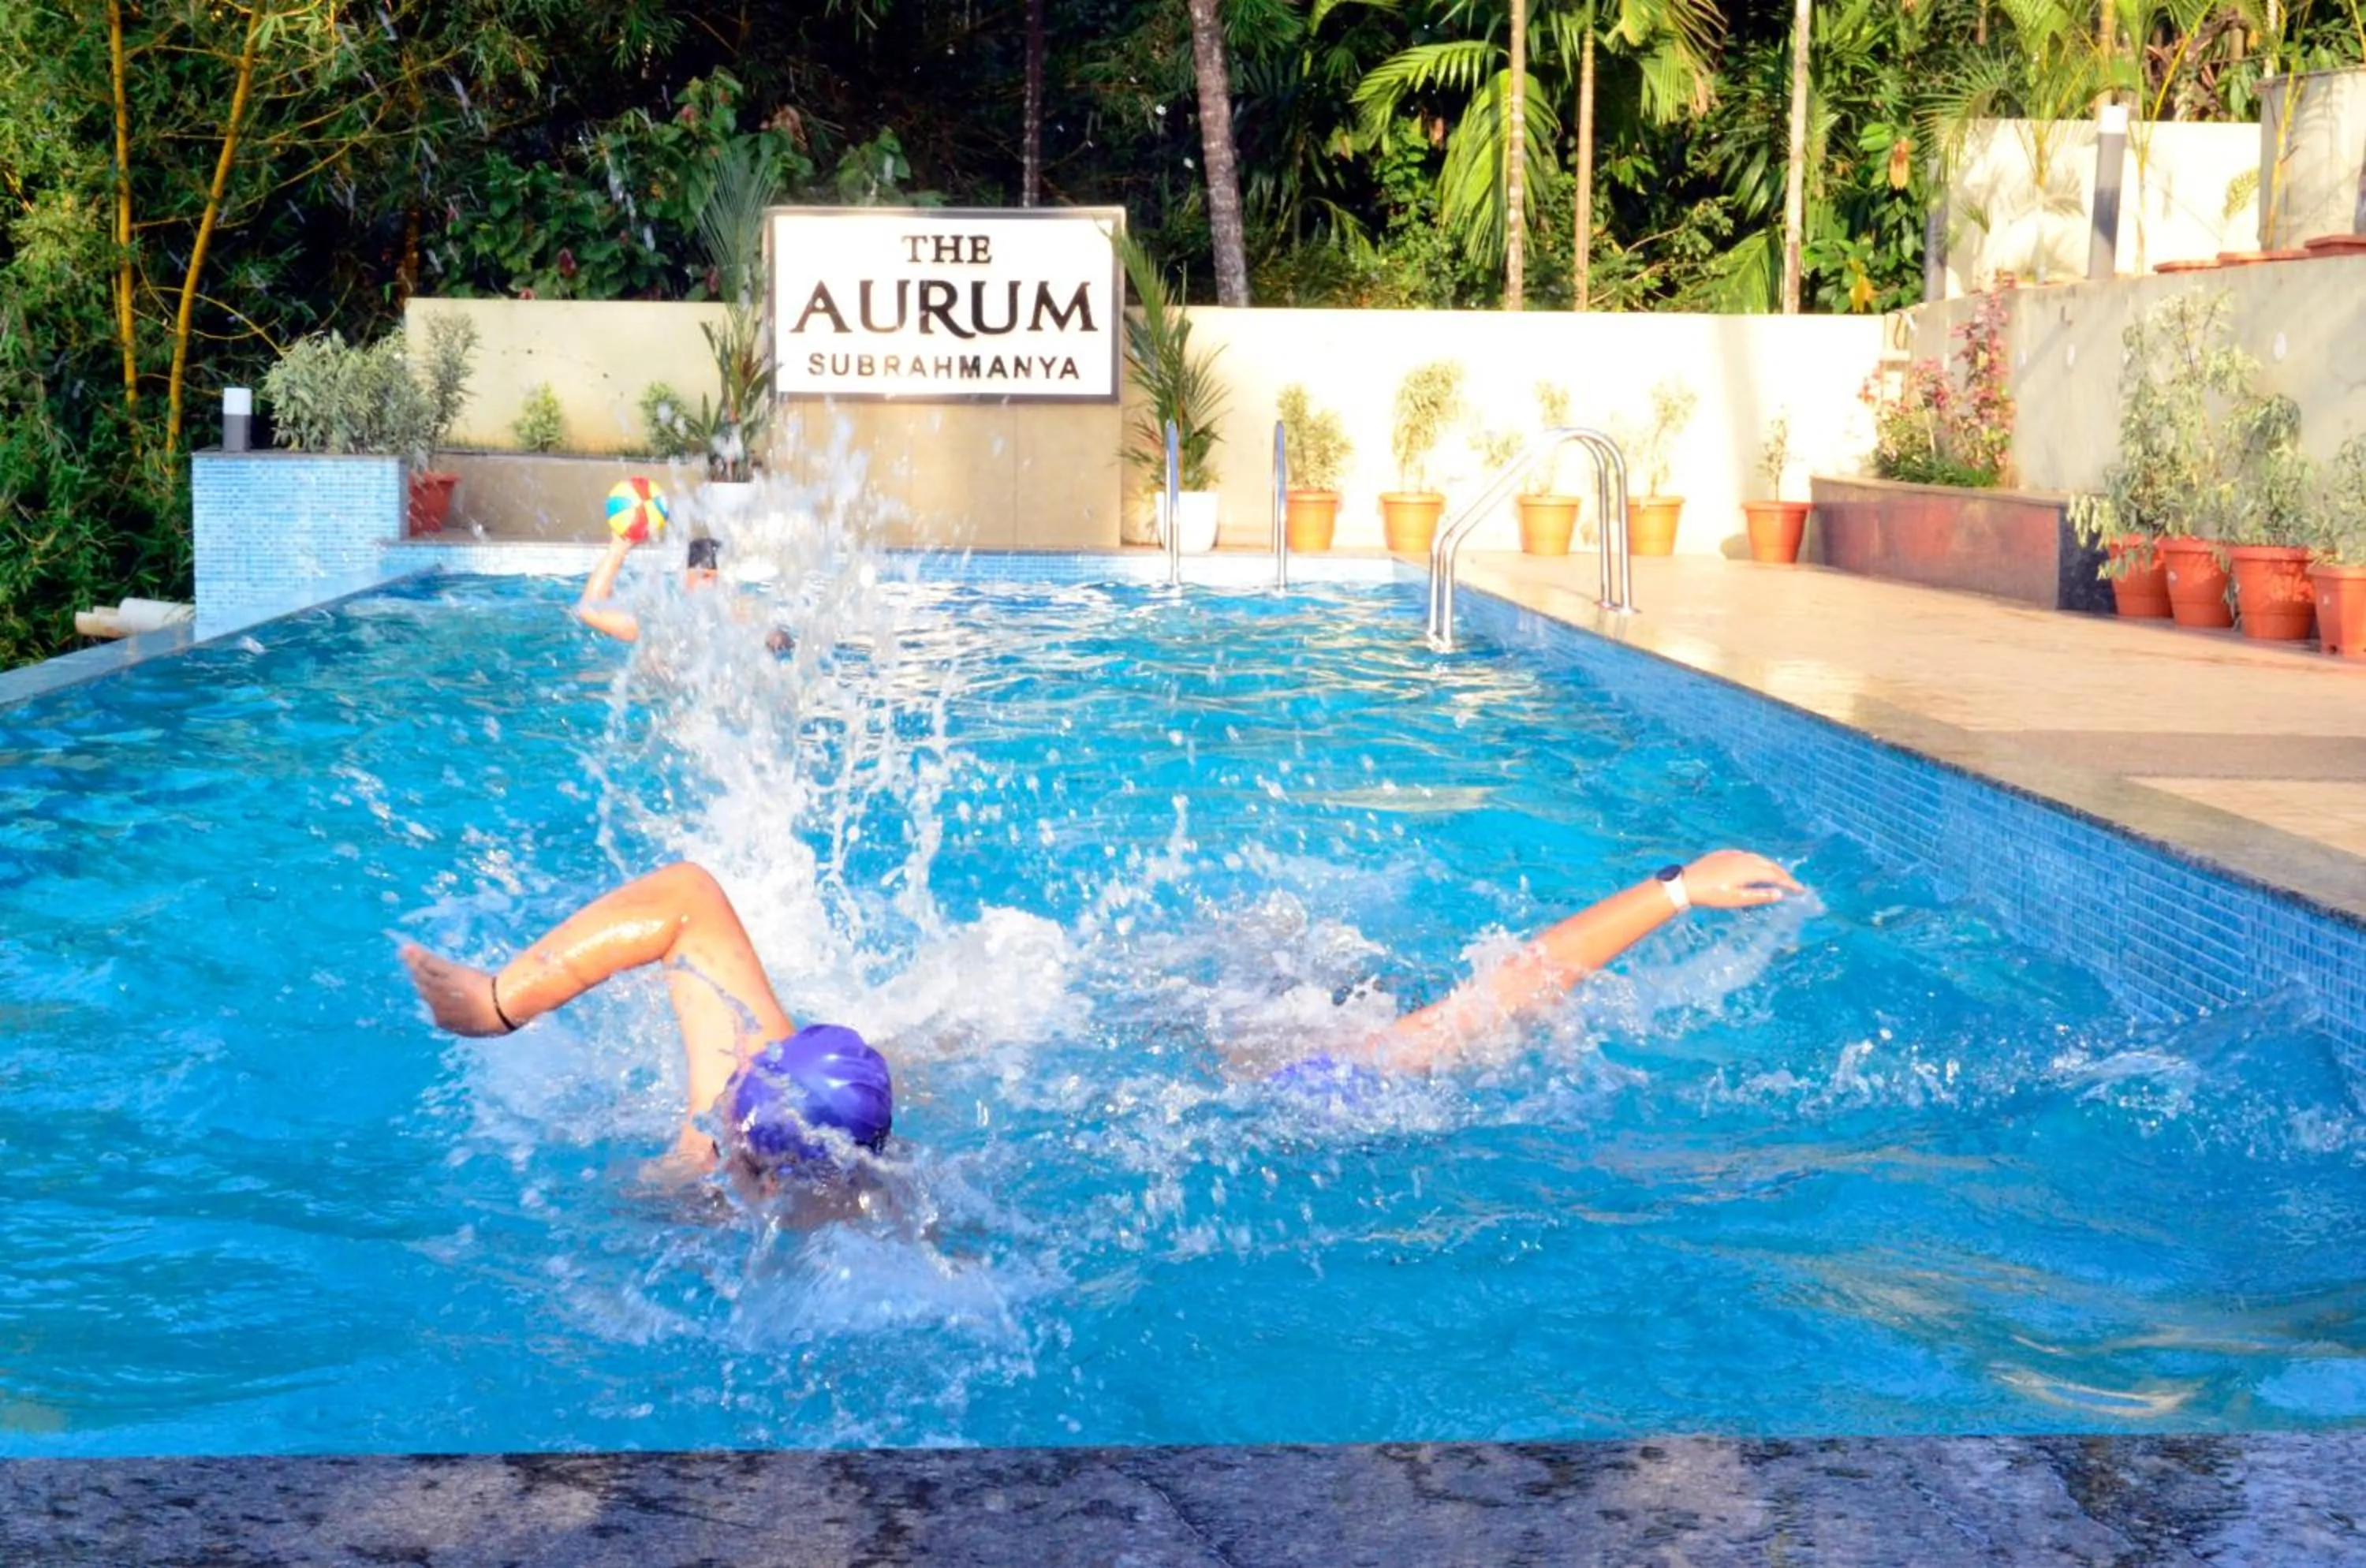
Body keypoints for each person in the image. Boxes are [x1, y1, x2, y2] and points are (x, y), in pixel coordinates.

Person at [397, 850, 1802, 1185]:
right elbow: (1506, 992)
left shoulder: (729, 1124)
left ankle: (1276, 955)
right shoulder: (872, 1181)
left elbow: (682, 896)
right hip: (1216, 1060)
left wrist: (499, 1004)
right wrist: (1674, 891)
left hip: (1211, 1044)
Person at [575, 532, 794, 654]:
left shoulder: (665, 623)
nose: (709, 584)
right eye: (705, 577)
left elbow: (590, 609)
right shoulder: (752, 621)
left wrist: (619, 547)